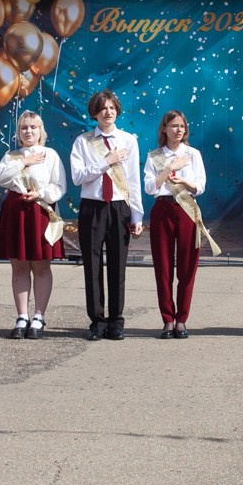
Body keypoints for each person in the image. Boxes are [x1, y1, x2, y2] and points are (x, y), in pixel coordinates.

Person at [67, 90, 144, 340]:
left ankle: (116, 320)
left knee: (118, 264)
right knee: (92, 264)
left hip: (119, 206)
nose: (108, 112)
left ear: (117, 111)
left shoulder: (128, 140)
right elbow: (78, 177)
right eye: (103, 108)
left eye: (112, 108)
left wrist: (136, 216)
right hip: (92, 206)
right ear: (94, 113)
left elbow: (133, 180)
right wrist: (106, 161)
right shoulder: (83, 141)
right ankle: (97, 320)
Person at [0, 109, 65, 338]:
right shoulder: (12, 156)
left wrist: (41, 194)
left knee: (41, 265)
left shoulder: (50, 154)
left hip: (40, 211)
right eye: (24, 127)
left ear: (41, 131)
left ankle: (39, 316)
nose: (28, 131)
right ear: (18, 132)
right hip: (17, 212)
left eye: (33, 127)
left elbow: (59, 186)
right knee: (19, 265)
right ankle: (22, 316)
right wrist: (24, 161)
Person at [144, 110, 210, 338]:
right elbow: (150, 187)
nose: (179, 130)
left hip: (186, 209)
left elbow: (200, 185)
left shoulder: (193, 154)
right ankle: (167, 319)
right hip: (162, 209)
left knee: (187, 266)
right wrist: (169, 169)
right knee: (163, 267)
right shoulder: (154, 156)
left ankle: (182, 319)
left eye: (182, 126)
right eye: (173, 126)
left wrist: (184, 181)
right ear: (164, 129)